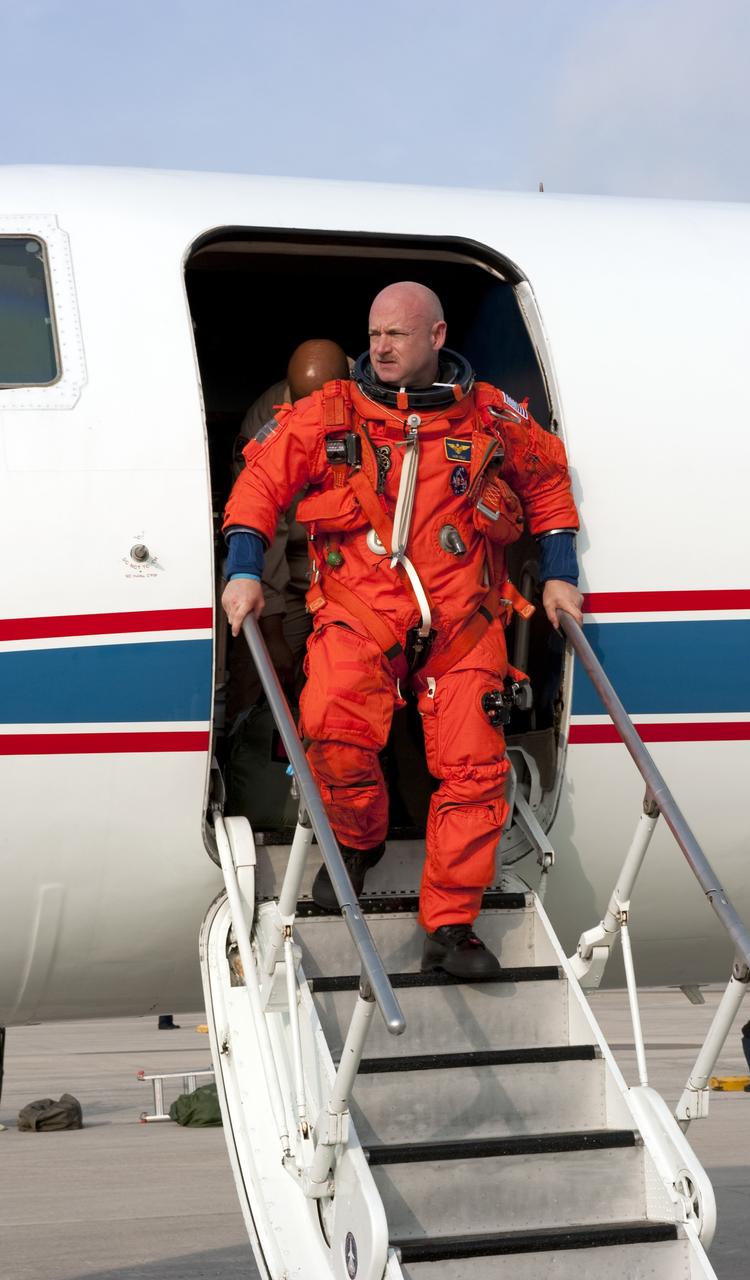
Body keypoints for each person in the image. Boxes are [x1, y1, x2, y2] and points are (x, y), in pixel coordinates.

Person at [221, 282, 582, 979]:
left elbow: (547, 483)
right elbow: (259, 485)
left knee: (474, 772)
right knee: (330, 728)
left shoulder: (490, 419)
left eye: (395, 335)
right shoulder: (329, 413)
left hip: (461, 619)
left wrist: (560, 568)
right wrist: (242, 567)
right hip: (360, 609)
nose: (379, 347)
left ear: (436, 337)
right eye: (374, 334)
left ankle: (449, 924)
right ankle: (358, 841)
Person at [226, 339, 350, 717]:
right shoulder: (266, 427)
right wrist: (274, 630)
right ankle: (250, 762)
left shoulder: (373, 402)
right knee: (259, 669)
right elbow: (262, 523)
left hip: (355, 574)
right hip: (292, 576)